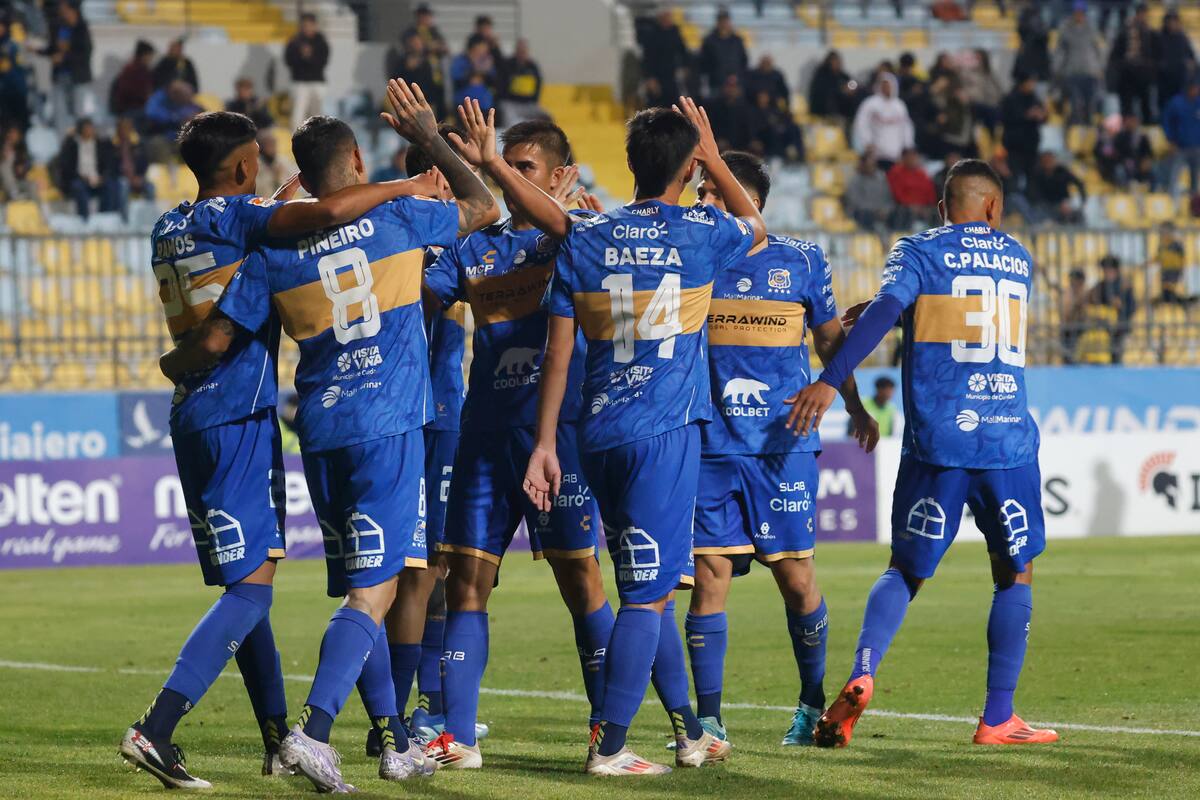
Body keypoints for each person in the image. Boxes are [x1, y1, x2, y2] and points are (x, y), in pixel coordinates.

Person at [120, 109, 443, 790]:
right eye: (256, 161)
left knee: (253, 582)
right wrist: (397, 188)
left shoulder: (168, 226)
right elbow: (321, 215)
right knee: (257, 596)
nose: (263, 171)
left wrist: (170, 371)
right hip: (237, 410)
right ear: (241, 169)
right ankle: (157, 729)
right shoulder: (246, 220)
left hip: (194, 417)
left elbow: (284, 212)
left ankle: (284, 739)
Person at [255, 99, 498, 793]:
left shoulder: (280, 245)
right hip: (387, 426)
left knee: (371, 592)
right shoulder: (396, 218)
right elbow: (480, 206)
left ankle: (394, 743)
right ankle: (314, 732)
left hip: (321, 431)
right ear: (359, 162)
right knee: (374, 593)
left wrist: (283, 197)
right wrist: (427, 139)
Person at [524, 99, 767, 775]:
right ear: (690, 167)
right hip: (664, 432)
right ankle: (610, 745)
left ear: (630, 164)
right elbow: (757, 223)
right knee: (647, 595)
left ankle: (688, 730)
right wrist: (715, 155)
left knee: (645, 582)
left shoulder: (588, 235)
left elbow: (558, 355)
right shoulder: (701, 230)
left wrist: (546, 443)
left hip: (597, 432)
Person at [790, 158, 1057, 749]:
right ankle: (998, 718)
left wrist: (832, 378)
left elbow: (889, 312)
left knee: (905, 570)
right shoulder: (1018, 257)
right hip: (1007, 439)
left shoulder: (917, 250)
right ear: (993, 207)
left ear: (943, 208)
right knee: (1014, 571)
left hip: (938, 440)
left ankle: (863, 669)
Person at [419, 108, 614, 770]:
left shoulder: (580, 237)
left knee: (579, 577)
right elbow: (421, 294)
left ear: (562, 177)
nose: (508, 180)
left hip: (557, 434)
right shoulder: (477, 248)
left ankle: (605, 733)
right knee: (467, 579)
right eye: (503, 165)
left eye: (523, 168)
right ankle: (460, 738)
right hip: (484, 432)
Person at [687, 149, 878, 748]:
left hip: (782, 445)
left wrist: (853, 403)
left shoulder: (799, 261)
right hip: (710, 444)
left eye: (713, 194)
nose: (702, 204)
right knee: (710, 574)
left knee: (796, 580)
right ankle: (710, 721)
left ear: (752, 204)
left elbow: (829, 340)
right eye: (699, 194)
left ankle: (812, 707)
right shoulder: (691, 259)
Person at [42, 0, 93, 134]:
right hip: (60, 75)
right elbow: (52, 48)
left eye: (64, 7)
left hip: (77, 77)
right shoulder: (58, 27)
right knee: (60, 113)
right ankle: (63, 146)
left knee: (79, 112)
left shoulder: (81, 28)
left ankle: (80, 144)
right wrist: (39, 51)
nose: (61, 9)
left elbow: (84, 53)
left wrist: (64, 58)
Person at [1055, 2, 1105, 126]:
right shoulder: (1066, 28)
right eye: (1077, 13)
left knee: (1089, 104)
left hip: (1089, 71)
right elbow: (1060, 51)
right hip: (1072, 70)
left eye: (1081, 13)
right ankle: (1075, 127)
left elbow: (1098, 50)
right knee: (1075, 102)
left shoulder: (1091, 28)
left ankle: (1088, 128)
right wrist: (1058, 68)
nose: (1079, 15)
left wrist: (1099, 67)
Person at [57, 117, 117, 219]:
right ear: (80, 130)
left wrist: (102, 177)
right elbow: (66, 166)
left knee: (111, 186)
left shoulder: (101, 144)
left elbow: (108, 164)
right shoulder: (72, 145)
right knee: (78, 187)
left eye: (91, 128)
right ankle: (84, 220)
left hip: (98, 179)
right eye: (86, 128)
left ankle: (103, 218)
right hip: (80, 179)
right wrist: (68, 137)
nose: (90, 131)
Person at [852, 73, 914, 171]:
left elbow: (906, 127)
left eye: (889, 85)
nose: (887, 88)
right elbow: (861, 124)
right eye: (884, 85)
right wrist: (867, 142)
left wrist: (907, 145)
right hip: (876, 153)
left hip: (895, 153)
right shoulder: (870, 104)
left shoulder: (899, 106)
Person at [1109, 3, 1156, 122]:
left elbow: (1156, 55)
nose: (1142, 16)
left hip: (1143, 74)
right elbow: (1115, 54)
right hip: (1127, 74)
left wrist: (1150, 68)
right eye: (1141, 13)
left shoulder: (1150, 33)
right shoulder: (1124, 31)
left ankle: (1146, 131)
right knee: (1126, 106)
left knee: (1146, 106)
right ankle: (1126, 132)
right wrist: (1121, 67)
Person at [636, 9, 690, 108]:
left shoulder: (675, 32)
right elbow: (646, 59)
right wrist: (650, 78)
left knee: (674, 108)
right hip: (657, 78)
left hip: (672, 78)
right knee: (656, 109)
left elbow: (683, 52)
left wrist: (685, 67)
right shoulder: (651, 34)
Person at [1000, 72, 1046, 185]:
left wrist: (1042, 115)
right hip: (1014, 145)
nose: (1032, 85)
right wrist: (1026, 115)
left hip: (1031, 145)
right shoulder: (1010, 98)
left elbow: (1043, 115)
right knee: (1013, 177)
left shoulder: (1034, 98)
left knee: (1032, 178)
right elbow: (1005, 117)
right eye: (1030, 82)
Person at [286, 13, 330, 131]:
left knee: (317, 115)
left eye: (310, 25)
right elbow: (289, 61)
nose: (307, 28)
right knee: (298, 114)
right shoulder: (294, 41)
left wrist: (310, 56)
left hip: (317, 82)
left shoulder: (321, 42)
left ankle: (317, 140)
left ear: (315, 25)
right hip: (299, 82)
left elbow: (323, 62)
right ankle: (296, 141)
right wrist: (302, 56)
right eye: (305, 25)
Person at [142, 79, 202, 163]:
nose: (186, 102)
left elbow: (196, 110)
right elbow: (151, 113)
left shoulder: (185, 101)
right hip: (161, 136)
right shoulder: (158, 99)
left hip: (180, 138)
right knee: (157, 144)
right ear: (174, 93)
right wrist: (176, 118)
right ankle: (168, 173)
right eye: (183, 97)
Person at [1089, 254, 1134, 363]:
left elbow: (1131, 307)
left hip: (1120, 327)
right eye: (1105, 269)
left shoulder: (1125, 285)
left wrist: (1120, 306)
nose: (1106, 272)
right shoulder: (1101, 285)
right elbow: (1092, 301)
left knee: (1117, 349)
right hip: (1102, 326)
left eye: (1109, 269)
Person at [389, 32, 444, 120]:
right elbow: (395, 79)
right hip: (409, 102)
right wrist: (407, 68)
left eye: (419, 42)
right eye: (414, 43)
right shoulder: (403, 61)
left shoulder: (428, 59)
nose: (417, 45)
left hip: (428, 100)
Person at [1161, 81, 1200, 198]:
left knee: (1195, 175)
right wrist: (1170, 139)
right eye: (1194, 88)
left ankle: (1194, 203)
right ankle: (1172, 199)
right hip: (1179, 146)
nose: (1196, 91)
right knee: (1175, 174)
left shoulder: (1198, 102)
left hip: (1196, 146)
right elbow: (1166, 121)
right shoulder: (1176, 103)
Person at [1095, 113, 1153, 187]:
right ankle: (1124, 190)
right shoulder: (1119, 137)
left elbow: (1148, 153)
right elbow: (1115, 153)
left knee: (1151, 171)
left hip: (1136, 164)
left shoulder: (1142, 137)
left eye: (1134, 121)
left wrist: (1145, 160)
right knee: (1120, 170)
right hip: (1119, 165)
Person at [1027, 151, 1086, 224]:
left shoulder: (1062, 171)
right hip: (1045, 205)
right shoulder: (1038, 174)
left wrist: (1082, 201)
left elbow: (1079, 183)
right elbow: (1033, 193)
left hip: (1063, 203)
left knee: (1076, 214)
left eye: (1050, 160)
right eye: (1045, 161)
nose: (1048, 163)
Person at [699, 8, 748, 94]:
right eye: (721, 20)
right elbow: (704, 63)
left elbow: (743, 60)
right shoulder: (709, 40)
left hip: (736, 84)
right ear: (717, 22)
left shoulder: (737, 40)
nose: (724, 23)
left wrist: (736, 76)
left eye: (725, 20)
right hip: (716, 84)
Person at [887, 147, 937, 229]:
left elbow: (930, 192)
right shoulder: (896, 172)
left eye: (915, 157)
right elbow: (897, 194)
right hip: (904, 208)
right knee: (905, 212)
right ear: (903, 158)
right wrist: (912, 206)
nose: (913, 159)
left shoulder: (922, 174)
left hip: (923, 208)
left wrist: (927, 207)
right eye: (910, 157)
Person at [113, 115, 154, 213]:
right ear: (118, 130)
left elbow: (144, 163)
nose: (125, 131)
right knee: (124, 184)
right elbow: (111, 167)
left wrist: (140, 177)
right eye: (123, 128)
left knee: (150, 187)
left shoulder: (138, 145)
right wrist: (128, 177)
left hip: (136, 177)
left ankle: (150, 216)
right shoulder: (113, 146)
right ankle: (124, 219)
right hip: (121, 178)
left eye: (128, 128)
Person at [845, 150, 895, 231]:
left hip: (881, 213)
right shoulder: (854, 180)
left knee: (900, 212)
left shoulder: (881, 179)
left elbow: (888, 198)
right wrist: (875, 210)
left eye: (873, 165)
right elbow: (855, 202)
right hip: (863, 213)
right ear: (862, 165)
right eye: (868, 165)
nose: (871, 168)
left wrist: (886, 210)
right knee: (864, 214)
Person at [1158, 11, 1196, 114]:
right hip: (1163, 78)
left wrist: (1190, 66)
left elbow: (1191, 56)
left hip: (1179, 76)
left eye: (1175, 22)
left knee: (1179, 103)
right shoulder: (1159, 37)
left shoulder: (1182, 38)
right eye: (1170, 22)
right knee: (1164, 103)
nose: (1172, 25)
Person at [499, 38, 544, 124]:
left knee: (547, 116)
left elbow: (538, 84)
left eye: (524, 51)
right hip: (511, 103)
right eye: (520, 50)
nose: (522, 53)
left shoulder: (532, 66)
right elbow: (501, 85)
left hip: (529, 104)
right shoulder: (507, 65)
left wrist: (534, 100)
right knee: (509, 117)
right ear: (516, 51)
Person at [808, 50, 860, 121]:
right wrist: (841, 90)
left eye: (838, 61)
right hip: (823, 112)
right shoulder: (821, 76)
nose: (837, 64)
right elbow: (822, 93)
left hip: (843, 111)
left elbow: (852, 83)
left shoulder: (843, 75)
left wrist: (851, 88)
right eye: (835, 61)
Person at [0, 18, 31, 132]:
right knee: (7, 124)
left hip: (17, 88)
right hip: (4, 91)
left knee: (21, 123)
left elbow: (14, 65)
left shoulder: (12, 44)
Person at [109, 39, 155, 117]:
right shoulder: (135, 70)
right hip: (131, 109)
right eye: (150, 55)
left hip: (134, 108)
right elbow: (130, 92)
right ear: (144, 55)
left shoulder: (138, 69)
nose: (151, 59)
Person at [706, 75, 752, 151]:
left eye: (734, 87)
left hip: (740, 147)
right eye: (729, 86)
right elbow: (711, 127)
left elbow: (747, 131)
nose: (731, 90)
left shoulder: (745, 109)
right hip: (718, 147)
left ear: (739, 89)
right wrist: (717, 140)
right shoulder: (714, 107)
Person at [450, 33, 496, 99]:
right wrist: (474, 72)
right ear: (475, 46)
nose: (486, 49)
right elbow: (457, 79)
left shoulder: (486, 61)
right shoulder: (460, 60)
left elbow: (493, 79)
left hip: (484, 102)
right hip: (463, 102)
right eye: (483, 46)